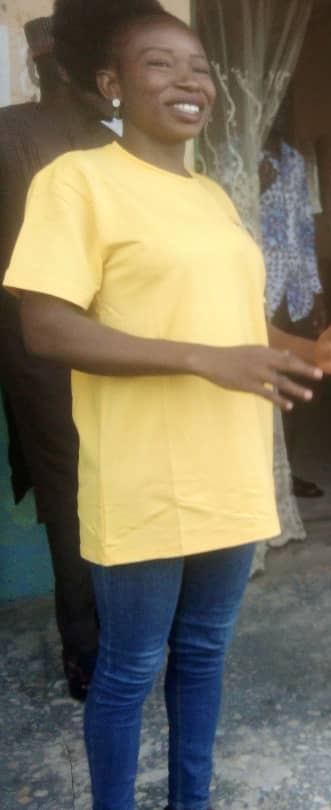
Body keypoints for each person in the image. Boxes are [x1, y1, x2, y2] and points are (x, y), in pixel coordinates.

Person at [6, 3, 331, 807]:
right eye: (160, 63)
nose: (190, 80)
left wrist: (307, 351)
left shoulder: (216, 198)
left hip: (229, 469)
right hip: (144, 477)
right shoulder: (76, 182)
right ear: (112, 84)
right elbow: (46, 326)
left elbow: (232, 324)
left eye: (199, 66)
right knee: (129, 668)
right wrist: (200, 359)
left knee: (204, 653)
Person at [0, 15, 117, 701]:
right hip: (40, 355)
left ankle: (109, 635)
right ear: (67, 72)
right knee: (70, 496)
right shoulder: (11, 135)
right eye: (102, 70)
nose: (114, 84)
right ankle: (85, 648)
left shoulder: (113, 144)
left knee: (102, 490)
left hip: (111, 347)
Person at [259, 106, 327, 499]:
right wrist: (252, 190)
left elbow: (305, 228)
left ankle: (286, 472)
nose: (280, 115)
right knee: (258, 382)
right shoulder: (237, 157)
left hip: (295, 292)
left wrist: (316, 292)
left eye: (287, 107)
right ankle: (256, 473)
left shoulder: (296, 162)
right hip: (256, 288)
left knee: (295, 384)